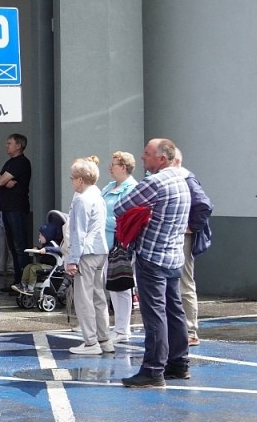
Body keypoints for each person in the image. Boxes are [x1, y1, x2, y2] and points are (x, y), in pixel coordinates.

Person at [114, 138, 191, 388]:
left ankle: (153, 370)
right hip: (174, 255)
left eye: (147, 153)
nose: (143, 157)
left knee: (154, 314)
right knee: (174, 310)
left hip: (152, 255)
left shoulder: (155, 182)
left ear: (161, 159)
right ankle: (179, 364)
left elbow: (121, 206)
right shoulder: (183, 179)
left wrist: (143, 213)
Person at [65, 157, 112, 355]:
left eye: (73, 178)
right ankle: (104, 339)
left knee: (83, 299)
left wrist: (72, 259)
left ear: (81, 179)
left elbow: (79, 232)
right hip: (100, 250)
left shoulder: (82, 199)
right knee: (99, 297)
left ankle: (91, 342)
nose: (72, 182)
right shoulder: (98, 196)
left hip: (86, 252)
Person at [172, 148, 213, 345]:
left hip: (183, 238)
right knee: (179, 282)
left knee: (185, 283)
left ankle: (190, 330)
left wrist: (190, 227)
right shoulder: (180, 178)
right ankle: (184, 329)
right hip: (177, 236)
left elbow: (204, 205)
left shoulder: (186, 179)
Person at [101, 151, 139, 341]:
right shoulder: (109, 186)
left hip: (121, 244)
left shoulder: (131, 189)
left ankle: (123, 329)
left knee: (121, 286)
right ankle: (117, 327)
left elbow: (125, 220)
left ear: (123, 167)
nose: (110, 167)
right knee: (112, 286)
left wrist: (99, 220)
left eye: (113, 164)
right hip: (107, 243)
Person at [0, 133, 33, 290]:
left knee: (20, 246)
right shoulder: (9, 163)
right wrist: (4, 182)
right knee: (12, 246)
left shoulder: (21, 162)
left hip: (17, 208)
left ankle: (24, 281)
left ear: (18, 145)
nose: (7, 145)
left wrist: (2, 181)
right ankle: (17, 281)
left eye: (9, 143)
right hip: (7, 207)